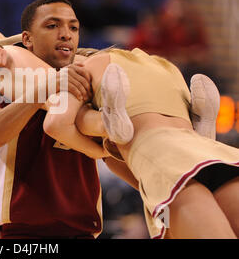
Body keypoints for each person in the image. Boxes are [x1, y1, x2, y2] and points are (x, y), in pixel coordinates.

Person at [42, 48, 239, 239]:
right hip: (215, 155)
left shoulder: (83, 70)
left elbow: (56, 125)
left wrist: (97, 150)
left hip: (165, 165)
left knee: (93, 127)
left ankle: (107, 122)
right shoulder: (166, 67)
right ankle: (201, 130)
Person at [0, 0, 108, 239]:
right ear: (27, 39)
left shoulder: (87, 81)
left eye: (73, 27)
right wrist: (44, 89)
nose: (66, 34)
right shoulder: (0, 74)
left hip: (84, 232)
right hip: (24, 234)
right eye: (52, 25)